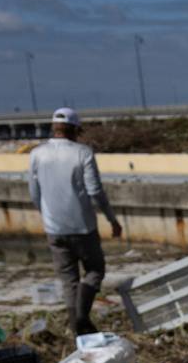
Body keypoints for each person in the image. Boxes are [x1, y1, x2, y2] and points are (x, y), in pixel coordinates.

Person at [27, 108, 122, 335]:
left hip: (54, 228)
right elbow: (95, 192)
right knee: (95, 270)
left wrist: (47, 215)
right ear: (76, 130)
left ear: (53, 128)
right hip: (83, 227)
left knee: (69, 279)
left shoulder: (37, 154)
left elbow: (34, 193)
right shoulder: (83, 153)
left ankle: (77, 330)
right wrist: (112, 219)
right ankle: (81, 317)